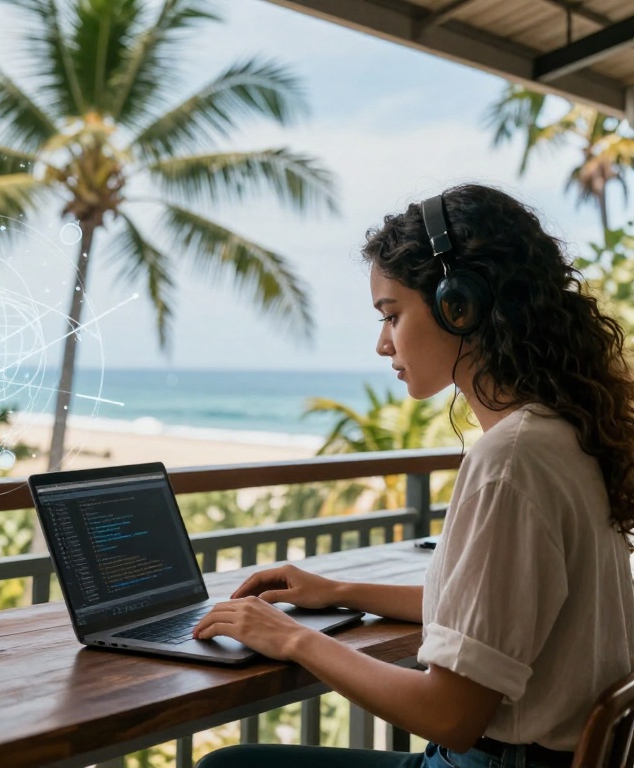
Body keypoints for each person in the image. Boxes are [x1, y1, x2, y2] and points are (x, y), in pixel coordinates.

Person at [194, 185, 634, 768]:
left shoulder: (510, 459)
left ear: (460, 306)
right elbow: (492, 613)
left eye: (392, 315)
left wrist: (292, 637)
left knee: (230, 766)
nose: (383, 344)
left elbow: (450, 716)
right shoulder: (565, 435)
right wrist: (339, 592)